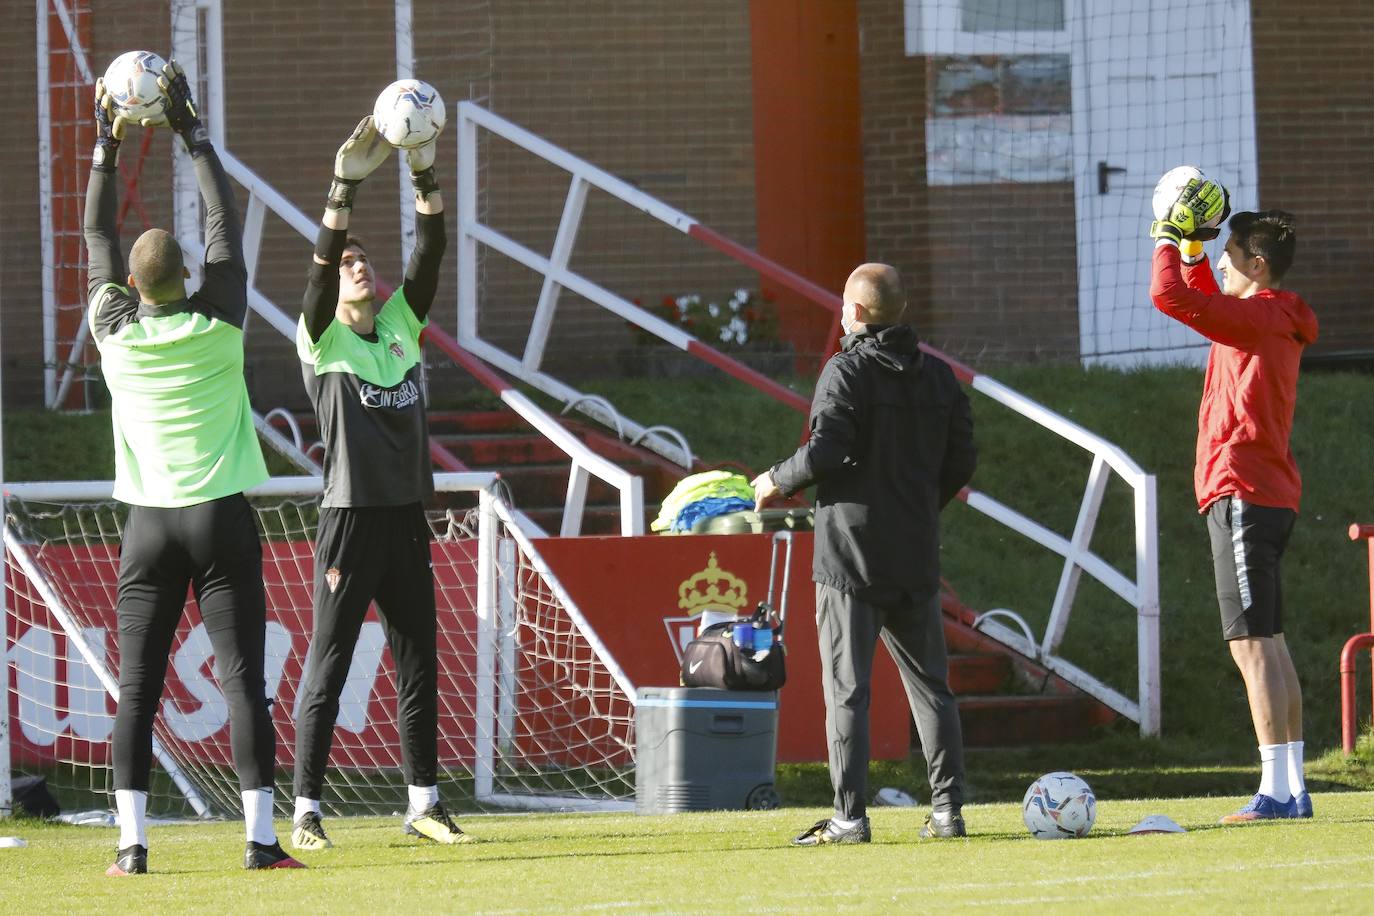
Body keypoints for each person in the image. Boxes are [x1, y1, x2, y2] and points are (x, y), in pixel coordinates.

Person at [85, 63, 302, 874]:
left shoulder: (114, 332)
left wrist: (108, 147)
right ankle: (258, 842)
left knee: (136, 688)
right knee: (244, 679)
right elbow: (225, 224)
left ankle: (131, 848)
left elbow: (98, 237)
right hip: (219, 517)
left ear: (132, 288)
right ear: (185, 280)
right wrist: (193, 134)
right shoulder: (220, 323)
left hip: (147, 526)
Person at [289, 115, 471, 850]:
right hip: (350, 520)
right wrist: (343, 189)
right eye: (348, 264)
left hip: (403, 518)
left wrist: (424, 171)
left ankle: (423, 803)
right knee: (329, 665)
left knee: (419, 659)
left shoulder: (398, 326)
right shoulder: (321, 338)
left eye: (364, 260)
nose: (359, 266)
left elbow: (431, 251)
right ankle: (304, 811)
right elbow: (319, 263)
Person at [752, 263, 977, 845]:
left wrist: (775, 479)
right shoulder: (940, 377)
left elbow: (825, 452)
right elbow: (962, 462)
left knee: (847, 691)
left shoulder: (845, 370)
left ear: (853, 312)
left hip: (850, 556)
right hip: (914, 553)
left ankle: (850, 819)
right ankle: (948, 812)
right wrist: (921, 507)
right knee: (932, 688)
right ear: (902, 312)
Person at [1149, 181, 1317, 823]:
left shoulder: (1264, 314)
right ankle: (1292, 787)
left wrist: (1167, 236)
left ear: (1258, 264)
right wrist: (1191, 244)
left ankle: (1277, 791)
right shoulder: (1263, 315)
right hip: (1259, 491)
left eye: (1229, 253)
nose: (1219, 262)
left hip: (1243, 490)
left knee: (1251, 644)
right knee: (1267, 640)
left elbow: (1170, 297)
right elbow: (1200, 297)